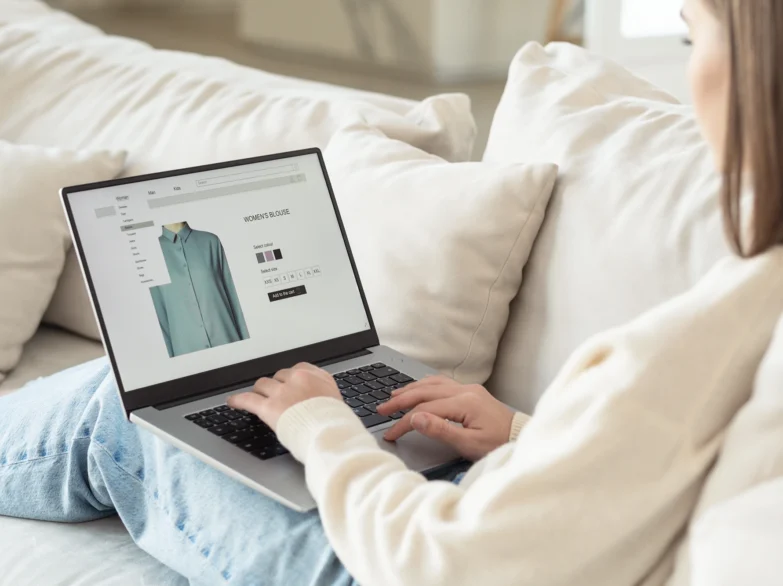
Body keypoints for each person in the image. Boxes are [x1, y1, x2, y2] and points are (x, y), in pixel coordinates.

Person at [1, 0, 782, 584]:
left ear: (759, 62)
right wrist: (520, 435)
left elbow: (439, 562)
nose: (689, 72)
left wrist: (320, 426)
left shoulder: (741, 309)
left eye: (692, 31)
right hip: (524, 518)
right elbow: (666, 469)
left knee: (133, 408)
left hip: (414, 556)